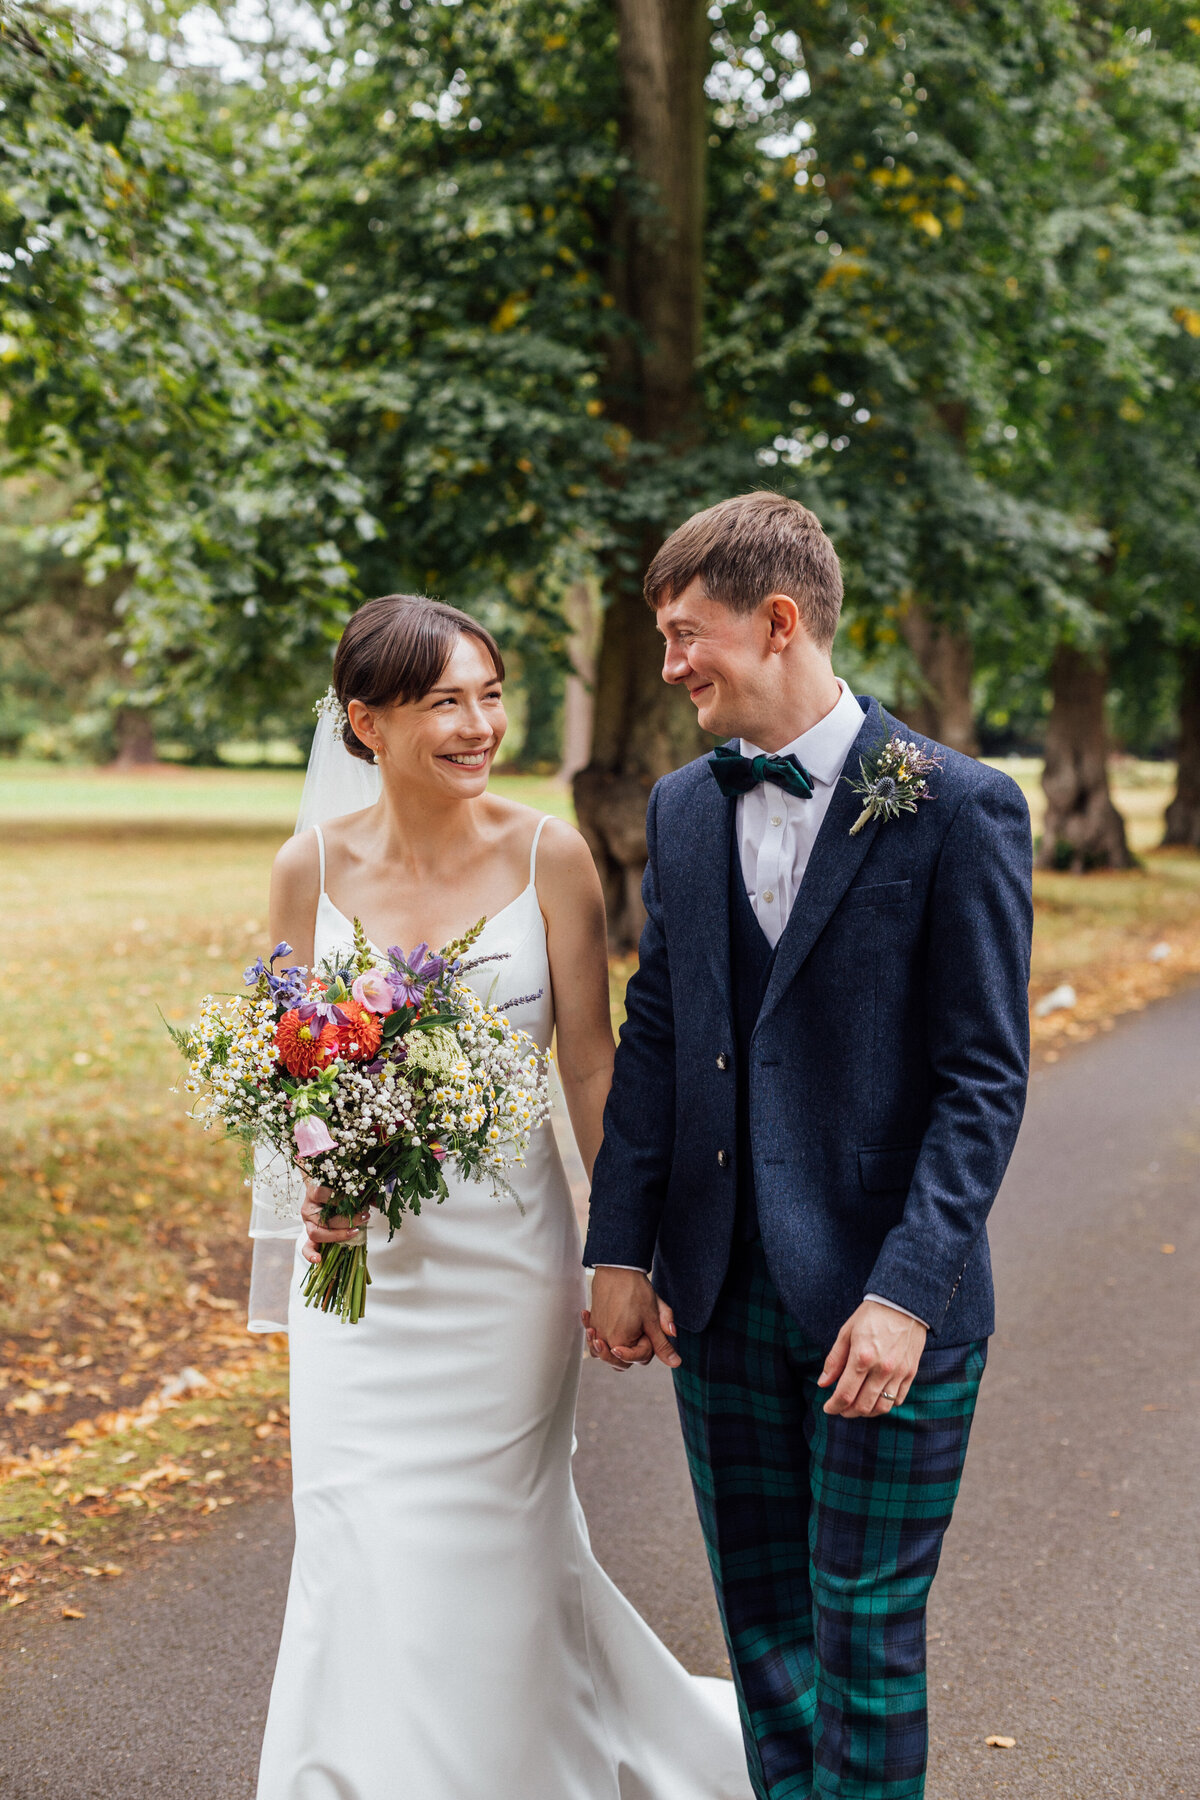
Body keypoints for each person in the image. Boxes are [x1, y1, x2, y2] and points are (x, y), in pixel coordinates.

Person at [254, 594, 750, 1799]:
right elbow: (286, 1058)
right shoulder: (306, 868)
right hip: (359, 1282)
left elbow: (590, 1063)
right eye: (445, 704)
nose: (480, 726)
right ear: (365, 724)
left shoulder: (550, 854)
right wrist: (315, 1184)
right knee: (354, 1535)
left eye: (491, 694)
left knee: (498, 1545)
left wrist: (620, 1250)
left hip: (506, 1268)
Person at [584, 492, 1033, 1800]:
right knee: (767, 1635)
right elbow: (659, 1038)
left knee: (866, 1634)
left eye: (687, 635)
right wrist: (623, 1245)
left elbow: (982, 1080)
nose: (670, 667)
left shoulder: (959, 806)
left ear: (779, 623)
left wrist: (904, 1294)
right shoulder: (680, 808)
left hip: (886, 1300)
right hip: (719, 1295)